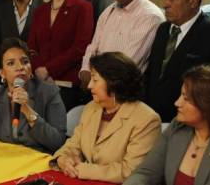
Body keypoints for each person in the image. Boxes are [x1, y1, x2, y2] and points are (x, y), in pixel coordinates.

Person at [51, 52, 161, 183]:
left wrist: (82, 169)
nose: (90, 85)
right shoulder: (91, 108)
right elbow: (73, 144)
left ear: (114, 83)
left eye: (95, 79)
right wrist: (64, 159)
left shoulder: (147, 119)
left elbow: (130, 171)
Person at [0, 38, 67, 153]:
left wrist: (28, 111)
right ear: (2, 73)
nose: (20, 67)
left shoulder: (49, 93)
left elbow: (58, 142)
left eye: (25, 61)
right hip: (6, 161)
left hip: (38, 161)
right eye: (11, 63)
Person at [124, 64, 210, 185]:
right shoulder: (177, 127)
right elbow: (145, 173)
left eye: (186, 98)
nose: (177, 103)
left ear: (208, 105)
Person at [145, 0, 210, 122]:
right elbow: (153, 71)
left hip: (187, 121)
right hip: (151, 115)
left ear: (193, 0)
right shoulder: (163, 29)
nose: (165, 4)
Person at [79, 0, 164, 89]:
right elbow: (93, 46)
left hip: (125, 91)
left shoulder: (150, 15)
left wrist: (96, 76)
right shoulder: (108, 11)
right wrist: (85, 68)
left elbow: (128, 63)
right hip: (98, 85)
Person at [27, 0, 94, 111]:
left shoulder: (83, 8)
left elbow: (80, 47)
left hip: (67, 86)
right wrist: (39, 70)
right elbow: (31, 47)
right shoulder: (40, 11)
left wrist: (49, 69)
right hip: (39, 83)